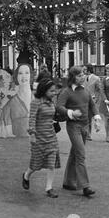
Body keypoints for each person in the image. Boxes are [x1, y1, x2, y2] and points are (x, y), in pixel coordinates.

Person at [56, 66, 101, 197]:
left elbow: (92, 105)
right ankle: (85, 186)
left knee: (75, 154)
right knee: (80, 154)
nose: (83, 77)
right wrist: (70, 112)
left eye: (83, 74)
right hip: (73, 127)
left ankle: (68, 182)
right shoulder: (67, 92)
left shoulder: (85, 90)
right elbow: (59, 107)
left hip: (85, 126)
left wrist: (97, 119)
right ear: (73, 77)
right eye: (80, 75)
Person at [22, 79, 60, 198]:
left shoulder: (51, 102)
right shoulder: (36, 102)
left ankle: (49, 188)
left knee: (51, 163)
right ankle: (26, 175)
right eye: (51, 91)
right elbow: (32, 119)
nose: (54, 93)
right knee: (36, 164)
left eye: (55, 91)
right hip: (39, 137)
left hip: (51, 136)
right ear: (44, 90)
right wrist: (32, 134)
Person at [2, 63, 34, 137]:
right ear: (16, 77)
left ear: (31, 76)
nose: (24, 76)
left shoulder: (38, 100)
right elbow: (9, 133)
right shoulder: (9, 104)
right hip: (17, 144)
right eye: (20, 73)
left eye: (27, 73)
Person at [83, 64, 101, 140]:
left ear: (89, 70)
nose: (83, 71)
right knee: (86, 118)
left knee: (90, 117)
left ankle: (89, 133)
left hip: (92, 101)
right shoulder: (82, 78)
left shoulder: (96, 78)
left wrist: (96, 99)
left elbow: (99, 90)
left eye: (84, 69)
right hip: (83, 100)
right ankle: (87, 134)